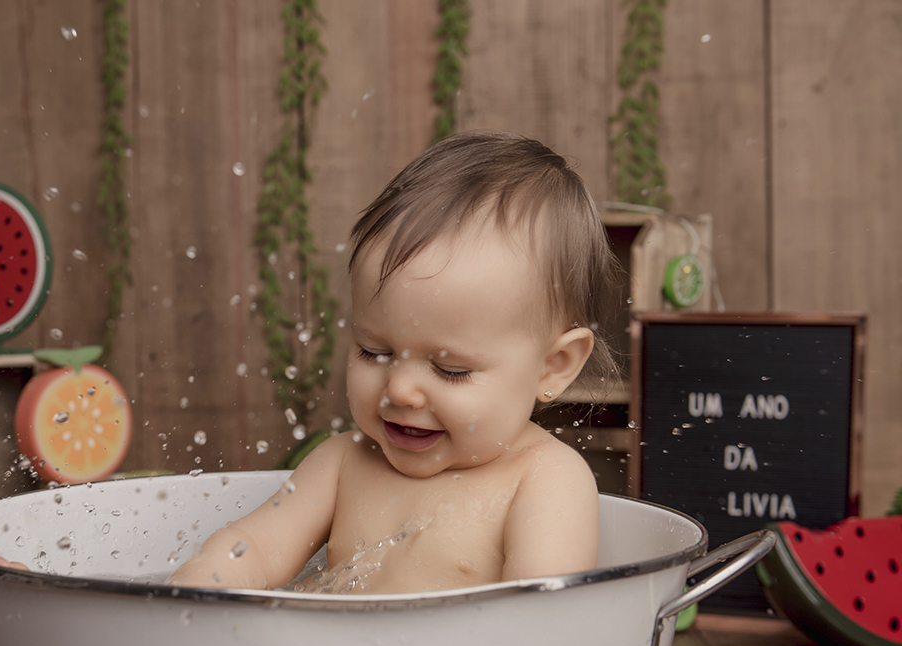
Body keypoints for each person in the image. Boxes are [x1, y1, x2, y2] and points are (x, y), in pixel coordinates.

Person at [169, 131, 620, 594]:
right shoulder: (343, 463)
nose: (399, 390)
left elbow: (539, 627)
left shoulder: (546, 481)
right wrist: (200, 590)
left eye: (450, 369)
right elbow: (254, 550)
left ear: (553, 367)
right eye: (374, 352)